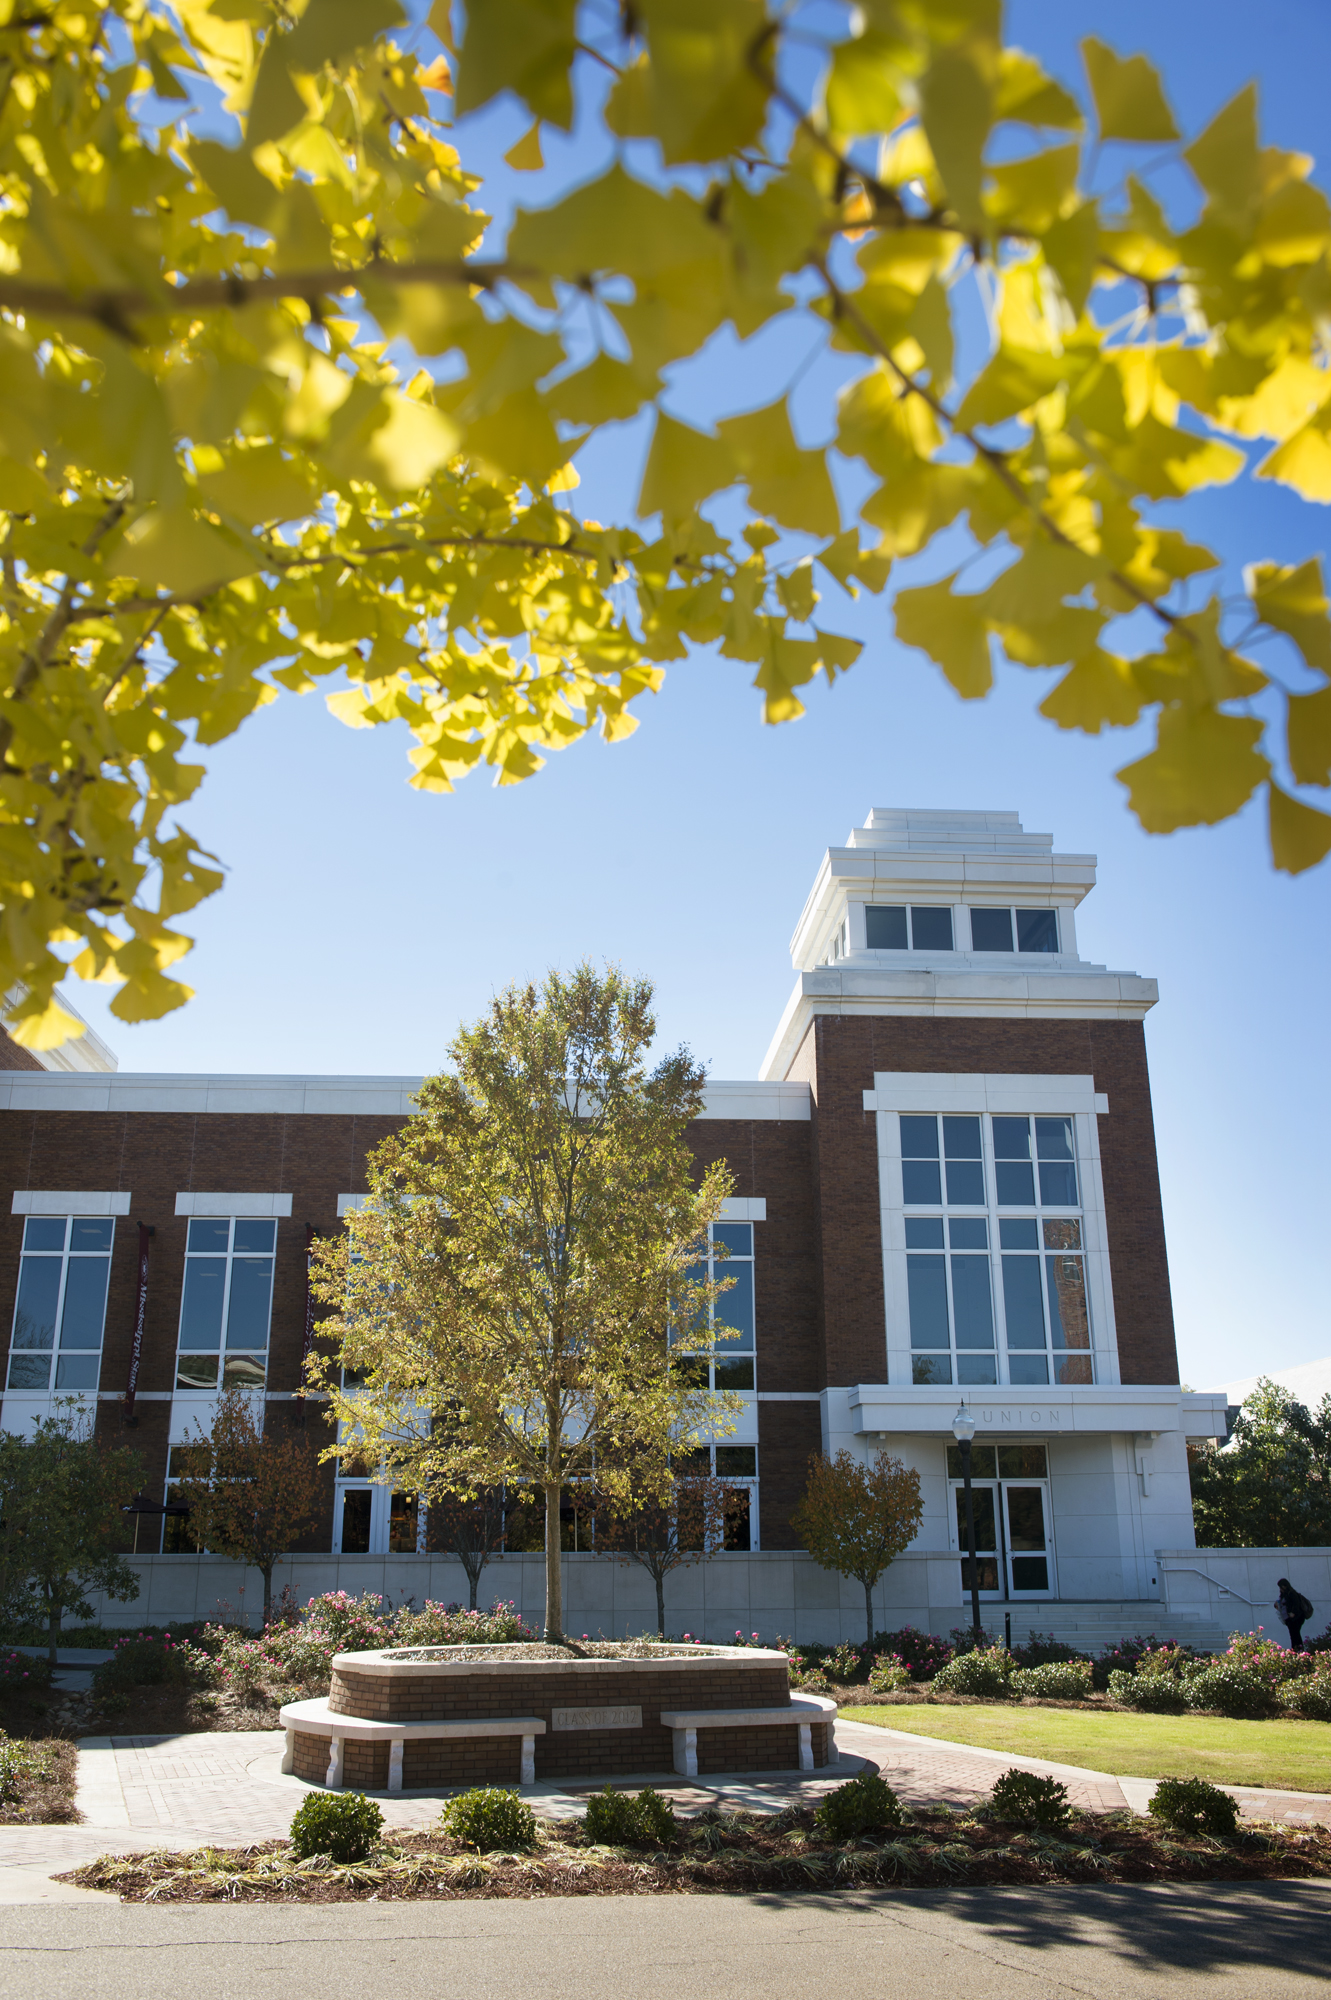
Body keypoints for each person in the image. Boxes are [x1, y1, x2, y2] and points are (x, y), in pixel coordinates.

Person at [1275, 1577, 1314, 1650]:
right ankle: (1296, 1649)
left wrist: (1293, 1613)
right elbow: (1280, 1602)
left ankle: (1298, 1649)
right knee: (1293, 1634)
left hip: (1296, 1618)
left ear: (1285, 1586)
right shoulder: (1284, 1595)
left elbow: (1296, 1604)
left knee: (1295, 1634)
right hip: (1289, 1618)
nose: (1280, 1589)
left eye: (1281, 1587)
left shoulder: (1292, 1593)